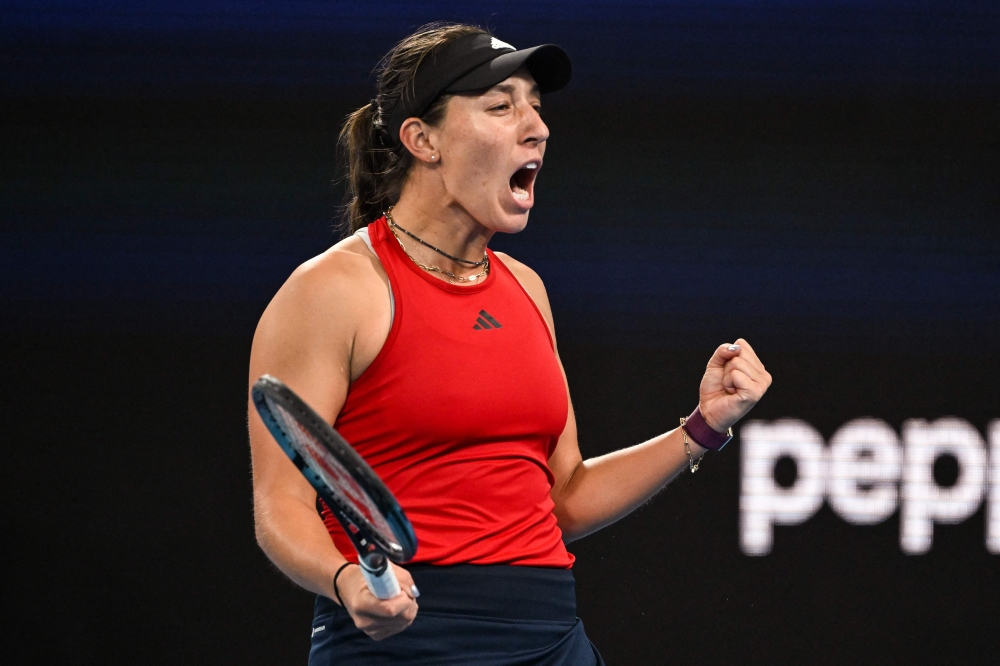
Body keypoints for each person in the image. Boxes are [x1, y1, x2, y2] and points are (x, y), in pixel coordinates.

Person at [247, 23, 771, 665]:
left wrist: (702, 428)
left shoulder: (527, 288)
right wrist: (344, 577)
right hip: (404, 647)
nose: (537, 127)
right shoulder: (332, 292)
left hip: (551, 639)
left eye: (536, 106)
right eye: (501, 107)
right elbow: (281, 505)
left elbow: (564, 497)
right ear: (422, 140)